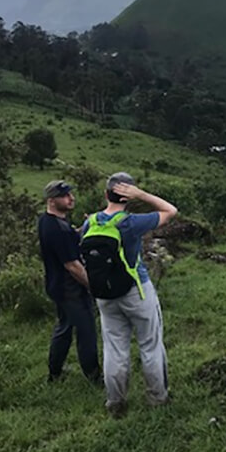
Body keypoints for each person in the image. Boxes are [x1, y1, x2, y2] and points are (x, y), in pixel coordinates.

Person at [80, 172, 177, 418]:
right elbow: (170, 211)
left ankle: (116, 403)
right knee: (150, 344)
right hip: (136, 290)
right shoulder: (130, 222)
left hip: (104, 295)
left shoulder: (89, 223)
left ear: (105, 195)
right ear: (128, 197)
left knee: (114, 348)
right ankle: (158, 398)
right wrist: (142, 195)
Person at [37, 180, 101, 384]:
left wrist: (85, 227)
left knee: (64, 327)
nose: (71, 198)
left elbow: (70, 239)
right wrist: (92, 286)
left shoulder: (48, 221)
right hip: (70, 288)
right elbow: (72, 265)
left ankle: (54, 374)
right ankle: (94, 376)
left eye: (70, 194)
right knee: (86, 331)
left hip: (57, 285)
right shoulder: (58, 229)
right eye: (65, 196)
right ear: (52, 201)